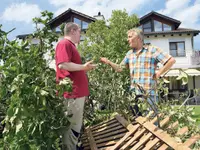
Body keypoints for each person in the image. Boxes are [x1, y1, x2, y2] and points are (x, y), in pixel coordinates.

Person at [100, 28, 176, 115]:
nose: (127, 40)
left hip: (149, 95)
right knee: (136, 123)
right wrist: (108, 62)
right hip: (134, 95)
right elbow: (120, 68)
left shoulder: (152, 50)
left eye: (130, 37)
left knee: (151, 124)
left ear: (139, 38)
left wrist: (158, 73)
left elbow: (171, 61)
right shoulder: (129, 54)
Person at [55, 22, 96, 150]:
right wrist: (83, 67)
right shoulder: (64, 44)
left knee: (75, 126)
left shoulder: (71, 46)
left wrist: (85, 68)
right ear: (73, 31)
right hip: (72, 94)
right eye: (79, 32)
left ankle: (73, 146)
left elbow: (72, 68)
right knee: (71, 127)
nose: (80, 35)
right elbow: (63, 64)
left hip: (77, 94)